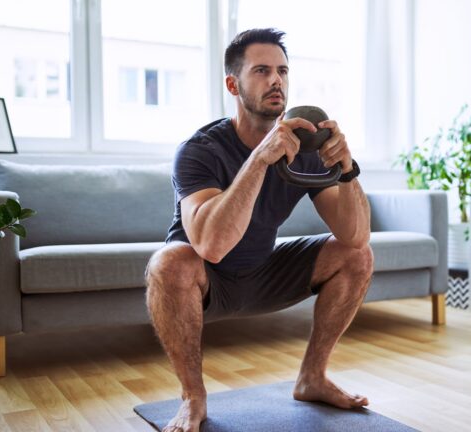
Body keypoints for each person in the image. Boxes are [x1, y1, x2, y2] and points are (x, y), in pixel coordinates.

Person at [145, 28, 374, 432]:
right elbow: (211, 246)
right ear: (233, 84)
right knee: (168, 262)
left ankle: (312, 378)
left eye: (283, 71)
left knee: (357, 255)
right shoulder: (201, 149)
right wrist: (259, 159)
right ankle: (192, 398)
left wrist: (346, 169)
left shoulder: (304, 148)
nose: (276, 81)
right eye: (262, 71)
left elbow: (355, 236)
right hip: (206, 278)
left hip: (264, 272)